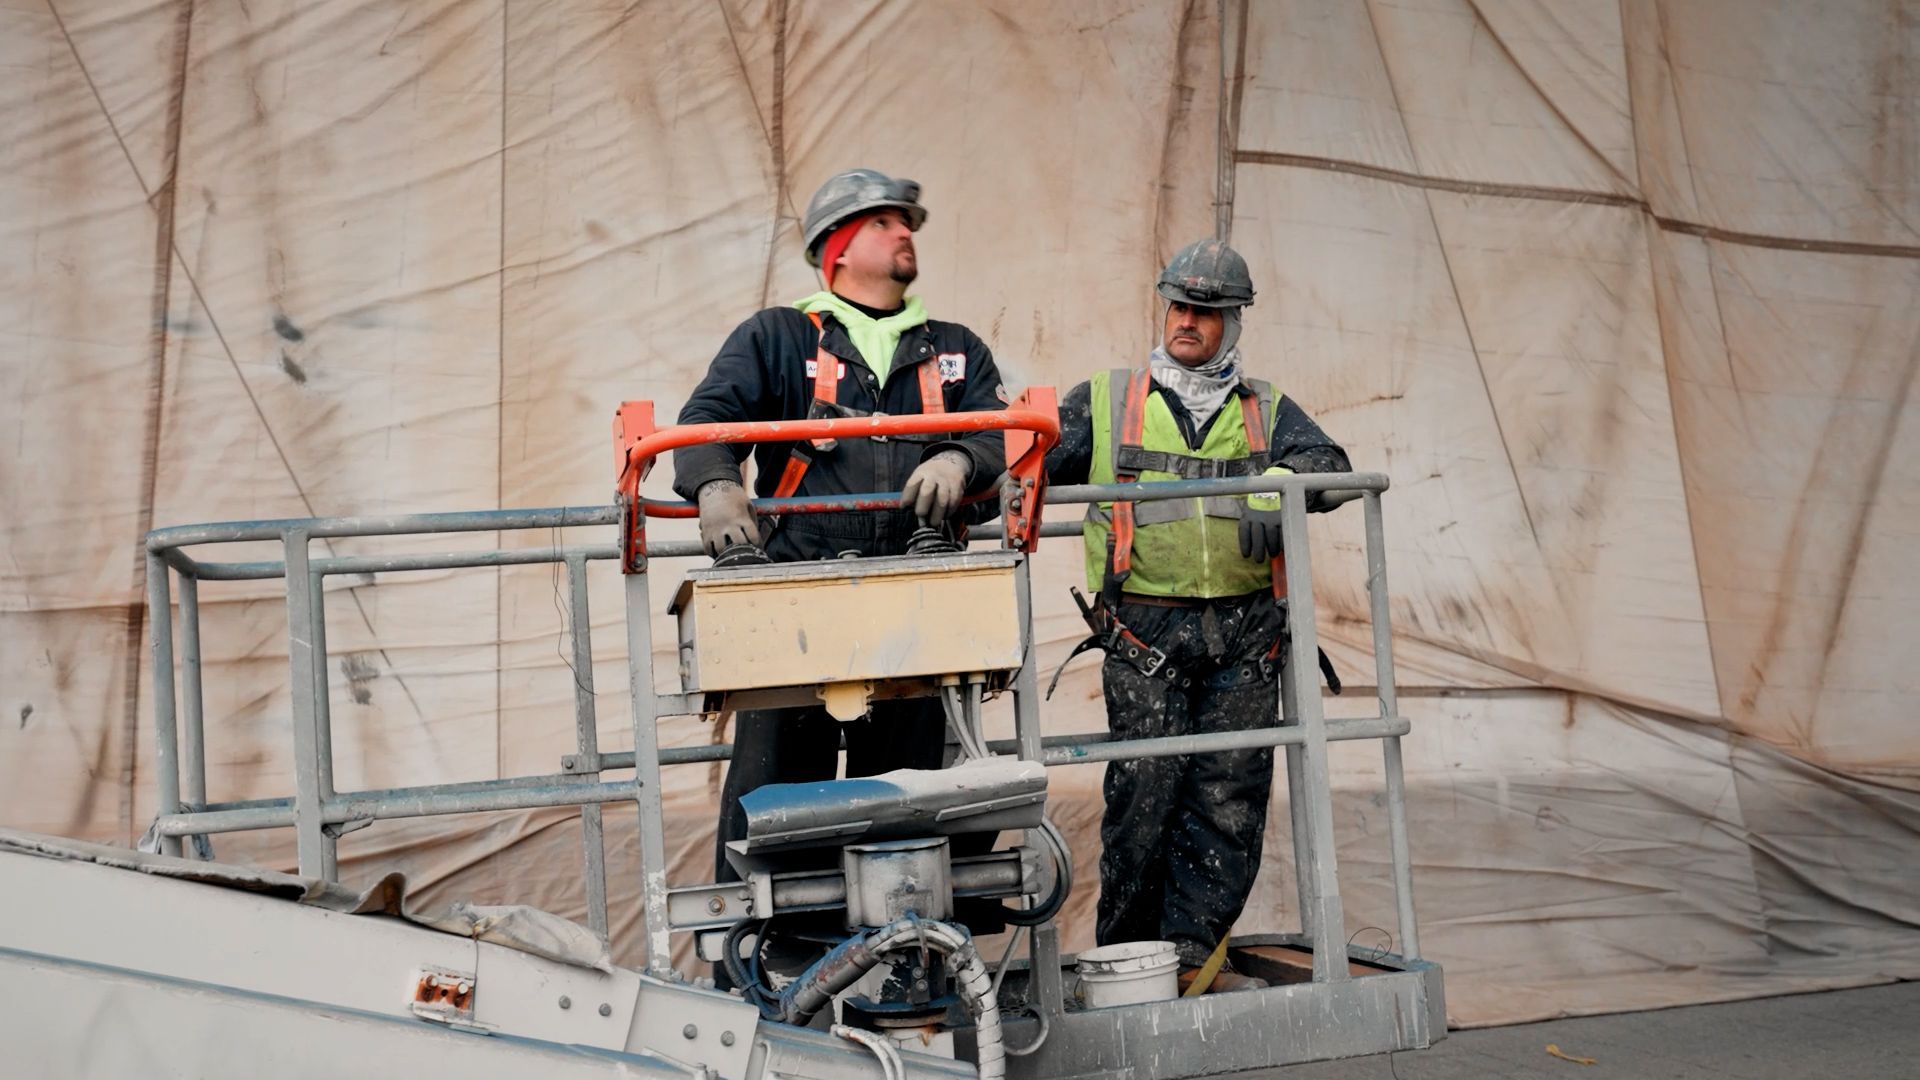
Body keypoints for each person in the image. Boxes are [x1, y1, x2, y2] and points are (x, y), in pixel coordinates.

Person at [671, 169, 1009, 941]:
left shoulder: (956, 352)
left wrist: (961, 462)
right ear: (837, 248)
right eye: (886, 222)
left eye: (906, 221)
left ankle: (911, 961)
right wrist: (717, 486)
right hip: (799, 610)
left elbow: (998, 432)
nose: (906, 232)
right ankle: (758, 969)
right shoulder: (778, 339)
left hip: (919, 615)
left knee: (914, 807)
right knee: (772, 807)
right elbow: (708, 419)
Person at [1044, 238, 1350, 992]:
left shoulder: (1266, 408)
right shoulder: (1107, 399)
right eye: (1180, 305)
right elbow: (1023, 457)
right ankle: (1125, 969)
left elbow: (1333, 467)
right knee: (1142, 799)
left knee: (1229, 801)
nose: (1189, 321)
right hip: (1146, 635)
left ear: (1234, 321)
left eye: (1207, 311)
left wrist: (1282, 480)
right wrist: (961, 465)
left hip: (1247, 636)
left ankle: (1191, 964)